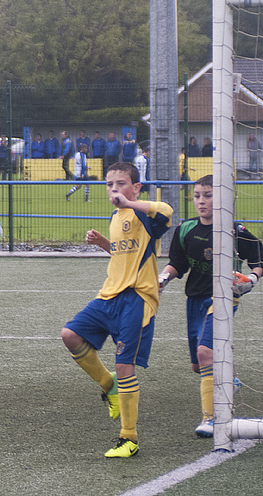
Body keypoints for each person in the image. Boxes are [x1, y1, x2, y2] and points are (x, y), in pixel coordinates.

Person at [61, 162, 172, 458]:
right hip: (109, 295)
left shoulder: (143, 214)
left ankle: (129, 438)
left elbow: (167, 212)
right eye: (110, 185)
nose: (114, 190)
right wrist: (102, 243)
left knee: (125, 366)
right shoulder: (116, 216)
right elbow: (123, 253)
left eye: (121, 183)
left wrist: (131, 202)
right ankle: (107, 385)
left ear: (136, 187)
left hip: (136, 298)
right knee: (70, 334)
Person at [158, 175, 263, 438]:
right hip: (195, 298)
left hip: (225, 298)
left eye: (208, 195)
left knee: (206, 352)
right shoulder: (186, 229)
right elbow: (178, 264)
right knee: (198, 364)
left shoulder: (233, 231)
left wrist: (251, 279)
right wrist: (163, 277)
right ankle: (229, 381)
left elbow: (259, 259)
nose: (201, 201)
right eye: (197, 196)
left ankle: (212, 418)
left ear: (222, 198)